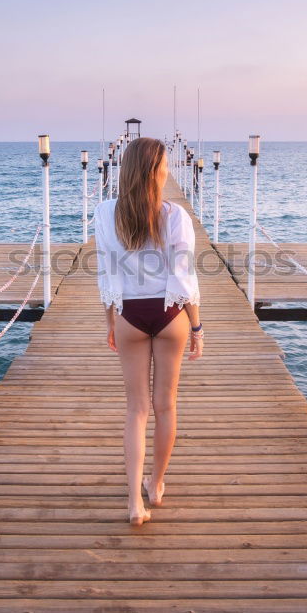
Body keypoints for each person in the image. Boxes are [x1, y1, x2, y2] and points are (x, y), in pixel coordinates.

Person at [93, 137, 203, 526]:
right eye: (165, 166)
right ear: (155, 172)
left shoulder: (107, 214)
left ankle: (133, 504)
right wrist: (196, 325)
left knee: (136, 410)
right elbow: (184, 276)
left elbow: (107, 271)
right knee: (166, 405)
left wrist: (110, 320)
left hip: (130, 315)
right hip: (170, 313)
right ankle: (155, 486)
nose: (169, 171)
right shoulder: (175, 216)